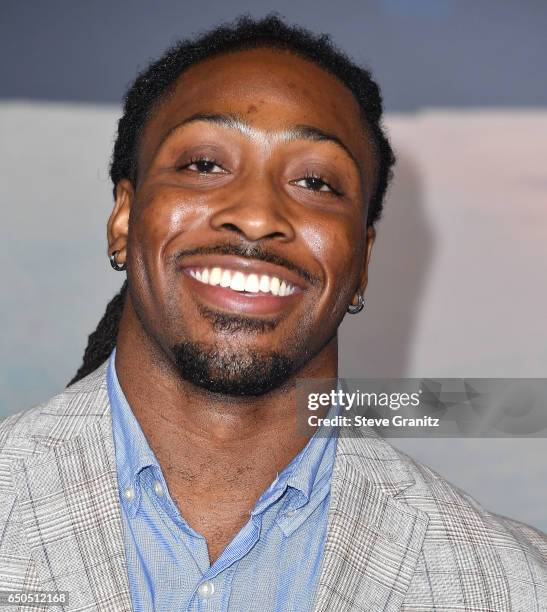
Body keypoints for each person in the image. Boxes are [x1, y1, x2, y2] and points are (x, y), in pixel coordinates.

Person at [0, 15, 545, 612]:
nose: (257, 215)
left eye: (315, 181)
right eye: (204, 165)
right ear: (124, 219)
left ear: (361, 260)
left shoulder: (513, 584)